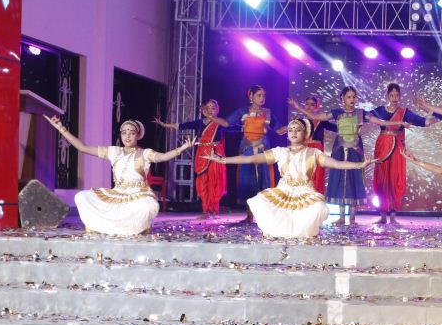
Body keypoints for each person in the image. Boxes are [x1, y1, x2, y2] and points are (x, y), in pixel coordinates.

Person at [206, 118, 373, 239]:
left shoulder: (314, 153)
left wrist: (359, 165)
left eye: (297, 129)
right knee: (260, 202)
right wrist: (224, 160)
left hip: (305, 192)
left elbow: (336, 163)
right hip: (283, 192)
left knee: (317, 208)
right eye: (291, 129)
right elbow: (250, 159)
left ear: (305, 133)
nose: (293, 132)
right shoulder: (280, 152)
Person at [45, 116, 194, 235]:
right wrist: (61, 129)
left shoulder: (145, 153)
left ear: (138, 135)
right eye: (124, 132)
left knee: (148, 206)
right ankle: (108, 227)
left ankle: (134, 228)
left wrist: (182, 148)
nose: (127, 136)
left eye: (132, 133)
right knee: (82, 197)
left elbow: (163, 156)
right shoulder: (114, 152)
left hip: (138, 194)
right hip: (117, 193)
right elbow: (82, 147)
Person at [321, 86, 405, 226]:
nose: (352, 99)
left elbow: (381, 122)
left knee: (354, 179)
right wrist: (299, 108)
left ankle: (352, 218)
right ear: (342, 98)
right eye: (349, 97)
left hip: (355, 150)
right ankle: (341, 218)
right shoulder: (337, 113)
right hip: (339, 149)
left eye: (354, 97)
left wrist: (398, 122)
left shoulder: (361, 113)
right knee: (340, 179)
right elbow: (316, 117)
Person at [154, 99, 229, 217]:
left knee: (215, 181)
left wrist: (210, 116)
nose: (210, 109)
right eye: (208, 107)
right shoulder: (199, 122)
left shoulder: (219, 122)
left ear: (217, 110)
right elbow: (181, 126)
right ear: (204, 109)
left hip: (215, 154)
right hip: (202, 153)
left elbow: (226, 124)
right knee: (203, 182)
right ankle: (205, 211)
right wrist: (164, 124)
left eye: (213, 108)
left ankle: (215, 210)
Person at [370, 83, 431, 224]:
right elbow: (364, 116)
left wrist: (439, 116)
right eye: (391, 95)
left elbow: (422, 122)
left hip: (397, 148)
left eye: (397, 95)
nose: (394, 98)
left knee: (395, 179)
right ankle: (382, 215)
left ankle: (393, 216)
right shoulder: (380, 111)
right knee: (382, 179)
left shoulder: (404, 112)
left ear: (400, 96)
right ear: (387, 96)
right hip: (382, 147)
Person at [225, 85, 276, 223]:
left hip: (263, 149)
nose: (262, 98)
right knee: (247, 182)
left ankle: (264, 217)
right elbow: (226, 123)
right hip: (246, 149)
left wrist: (296, 124)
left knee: (263, 181)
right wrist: (211, 117)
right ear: (251, 96)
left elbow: (279, 129)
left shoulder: (268, 113)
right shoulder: (242, 111)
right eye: (259, 95)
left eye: (263, 95)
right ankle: (249, 216)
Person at [287, 95, 331, 195]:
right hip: (303, 150)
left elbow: (336, 128)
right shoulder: (300, 122)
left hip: (316, 150)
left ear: (317, 106)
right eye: (307, 104)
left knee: (316, 175)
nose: (309, 107)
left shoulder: (321, 122)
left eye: (312, 105)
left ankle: (315, 198)